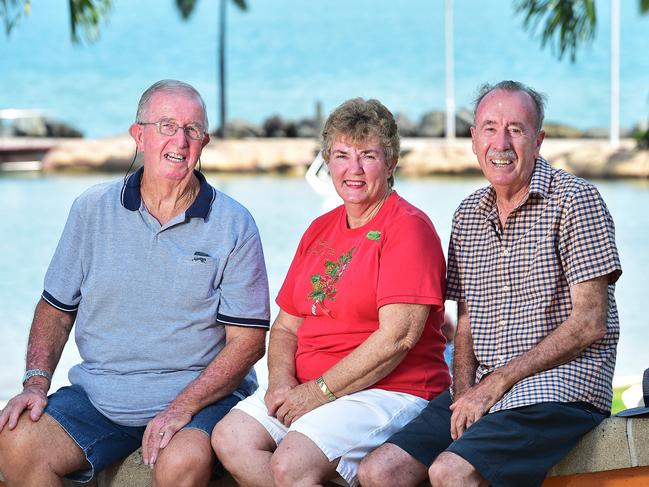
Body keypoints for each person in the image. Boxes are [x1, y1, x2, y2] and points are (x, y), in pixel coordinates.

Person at [0, 79, 270, 487]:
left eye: (192, 129)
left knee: (182, 460)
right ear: (138, 135)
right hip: (99, 400)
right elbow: (55, 309)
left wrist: (183, 406)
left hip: (198, 402)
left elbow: (249, 342)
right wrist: (35, 384)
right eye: (166, 125)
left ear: (205, 142)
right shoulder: (91, 209)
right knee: (16, 439)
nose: (180, 139)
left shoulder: (234, 224)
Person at [359, 80, 622, 487]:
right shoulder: (467, 214)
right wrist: (464, 390)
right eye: (489, 128)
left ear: (538, 140)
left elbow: (590, 322)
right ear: (473, 138)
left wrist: (496, 383)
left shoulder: (576, 200)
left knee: (450, 471)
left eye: (516, 129)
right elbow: (464, 320)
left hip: (560, 392)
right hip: (486, 387)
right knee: (380, 471)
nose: (501, 142)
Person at [212, 98, 450, 487]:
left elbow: (396, 339)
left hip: (389, 389)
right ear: (327, 161)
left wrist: (318, 393)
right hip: (311, 384)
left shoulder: (408, 229)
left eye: (368, 156)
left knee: (293, 462)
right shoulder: (320, 228)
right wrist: (281, 381)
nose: (353, 170)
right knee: (231, 438)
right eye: (341, 155)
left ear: (391, 163)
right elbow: (287, 326)